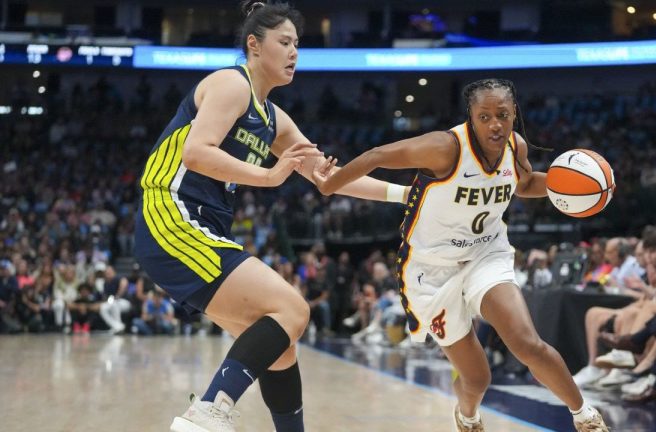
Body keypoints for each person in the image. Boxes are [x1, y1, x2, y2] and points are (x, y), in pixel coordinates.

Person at [132, 2, 407, 432]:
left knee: (282, 344)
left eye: (298, 43)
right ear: (254, 46)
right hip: (171, 213)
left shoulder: (274, 119)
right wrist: (269, 175)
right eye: (285, 42)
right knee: (293, 309)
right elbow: (196, 152)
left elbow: (329, 177)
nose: (295, 52)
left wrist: (408, 196)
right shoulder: (230, 83)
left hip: (201, 224)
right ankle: (207, 411)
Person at [314, 78, 608, 431]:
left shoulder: (516, 148)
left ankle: (585, 416)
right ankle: (467, 416)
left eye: (502, 114)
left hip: (486, 253)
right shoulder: (444, 147)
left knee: (527, 343)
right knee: (477, 378)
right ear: (471, 116)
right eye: (484, 116)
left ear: (514, 113)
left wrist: (568, 185)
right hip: (429, 270)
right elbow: (378, 156)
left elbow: (525, 184)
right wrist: (331, 184)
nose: (494, 124)